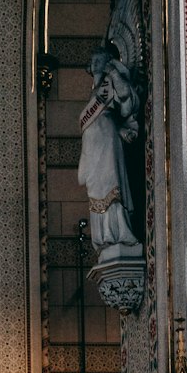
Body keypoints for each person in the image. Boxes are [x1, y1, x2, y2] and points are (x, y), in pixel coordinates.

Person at [78, 45, 141, 258]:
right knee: (95, 188)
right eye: (93, 61)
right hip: (92, 147)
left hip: (108, 142)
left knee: (112, 183)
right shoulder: (94, 90)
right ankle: (103, 236)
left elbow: (126, 101)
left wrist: (114, 72)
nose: (94, 64)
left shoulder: (110, 82)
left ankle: (120, 231)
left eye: (99, 60)